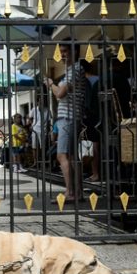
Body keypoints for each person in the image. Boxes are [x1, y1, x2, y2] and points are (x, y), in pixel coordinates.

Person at [45, 42, 87, 199]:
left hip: (68, 117)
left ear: (74, 51)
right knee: (71, 157)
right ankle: (77, 192)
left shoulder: (74, 70)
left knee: (62, 155)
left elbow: (60, 93)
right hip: (70, 117)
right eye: (61, 51)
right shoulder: (73, 70)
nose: (62, 54)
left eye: (65, 51)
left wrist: (50, 84)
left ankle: (70, 192)